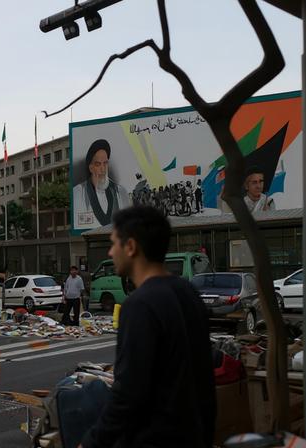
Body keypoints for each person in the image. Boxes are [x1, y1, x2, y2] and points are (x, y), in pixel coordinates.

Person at [80, 206, 215, 448]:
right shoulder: (189, 293)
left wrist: (91, 442)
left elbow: (128, 393)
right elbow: (205, 378)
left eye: (114, 243)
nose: (110, 252)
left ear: (131, 247)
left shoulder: (139, 305)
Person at [73, 139, 130, 228]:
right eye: (98, 164)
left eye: (105, 163)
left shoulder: (121, 192)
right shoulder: (78, 192)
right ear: (91, 168)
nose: (103, 169)